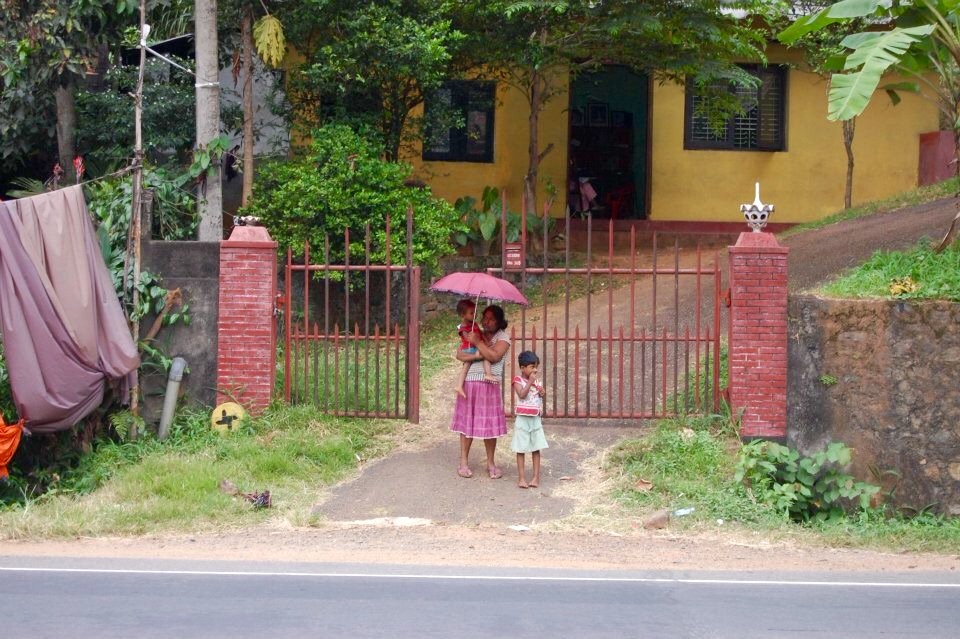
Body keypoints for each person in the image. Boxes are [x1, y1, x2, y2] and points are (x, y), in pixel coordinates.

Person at [451, 304, 511, 479]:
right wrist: (476, 353)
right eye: (485, 317)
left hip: (489, 385)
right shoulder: (475, 331)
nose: (486, 321)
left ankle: (491, 463)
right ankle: (463, 463)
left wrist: (477, 343)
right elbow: (459, 355)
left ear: (500, 321)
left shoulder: (503, 339)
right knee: (466, 424)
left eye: (491, 319)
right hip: (469, 382)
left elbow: (493, 356)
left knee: (490, 426)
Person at [511, 350, 549, 488]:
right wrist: (530, 382)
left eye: (536, 366)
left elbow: (538, 397)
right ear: (522, 368)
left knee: (536, 448)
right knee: (520, 449)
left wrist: (542, 392)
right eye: (532, 367)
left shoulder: (536, 381)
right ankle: (521, 478)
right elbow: (521, 394)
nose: (535, 370)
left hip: (535, 418)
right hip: (522, 418)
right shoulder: (517, 380)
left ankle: (535, 478)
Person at [454, 299, 496, 398]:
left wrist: (486, 342)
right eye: (471, 313)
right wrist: (474, 340)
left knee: (484, 357)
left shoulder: (475, 324)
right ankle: (459, 385)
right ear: (463, 315)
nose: (474, 315)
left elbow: (481, 334)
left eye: (475, 312)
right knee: (467, 365)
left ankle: (488, 374)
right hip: (469, 348)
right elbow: (467, 338)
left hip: (476, 346)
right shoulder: (463, 327)